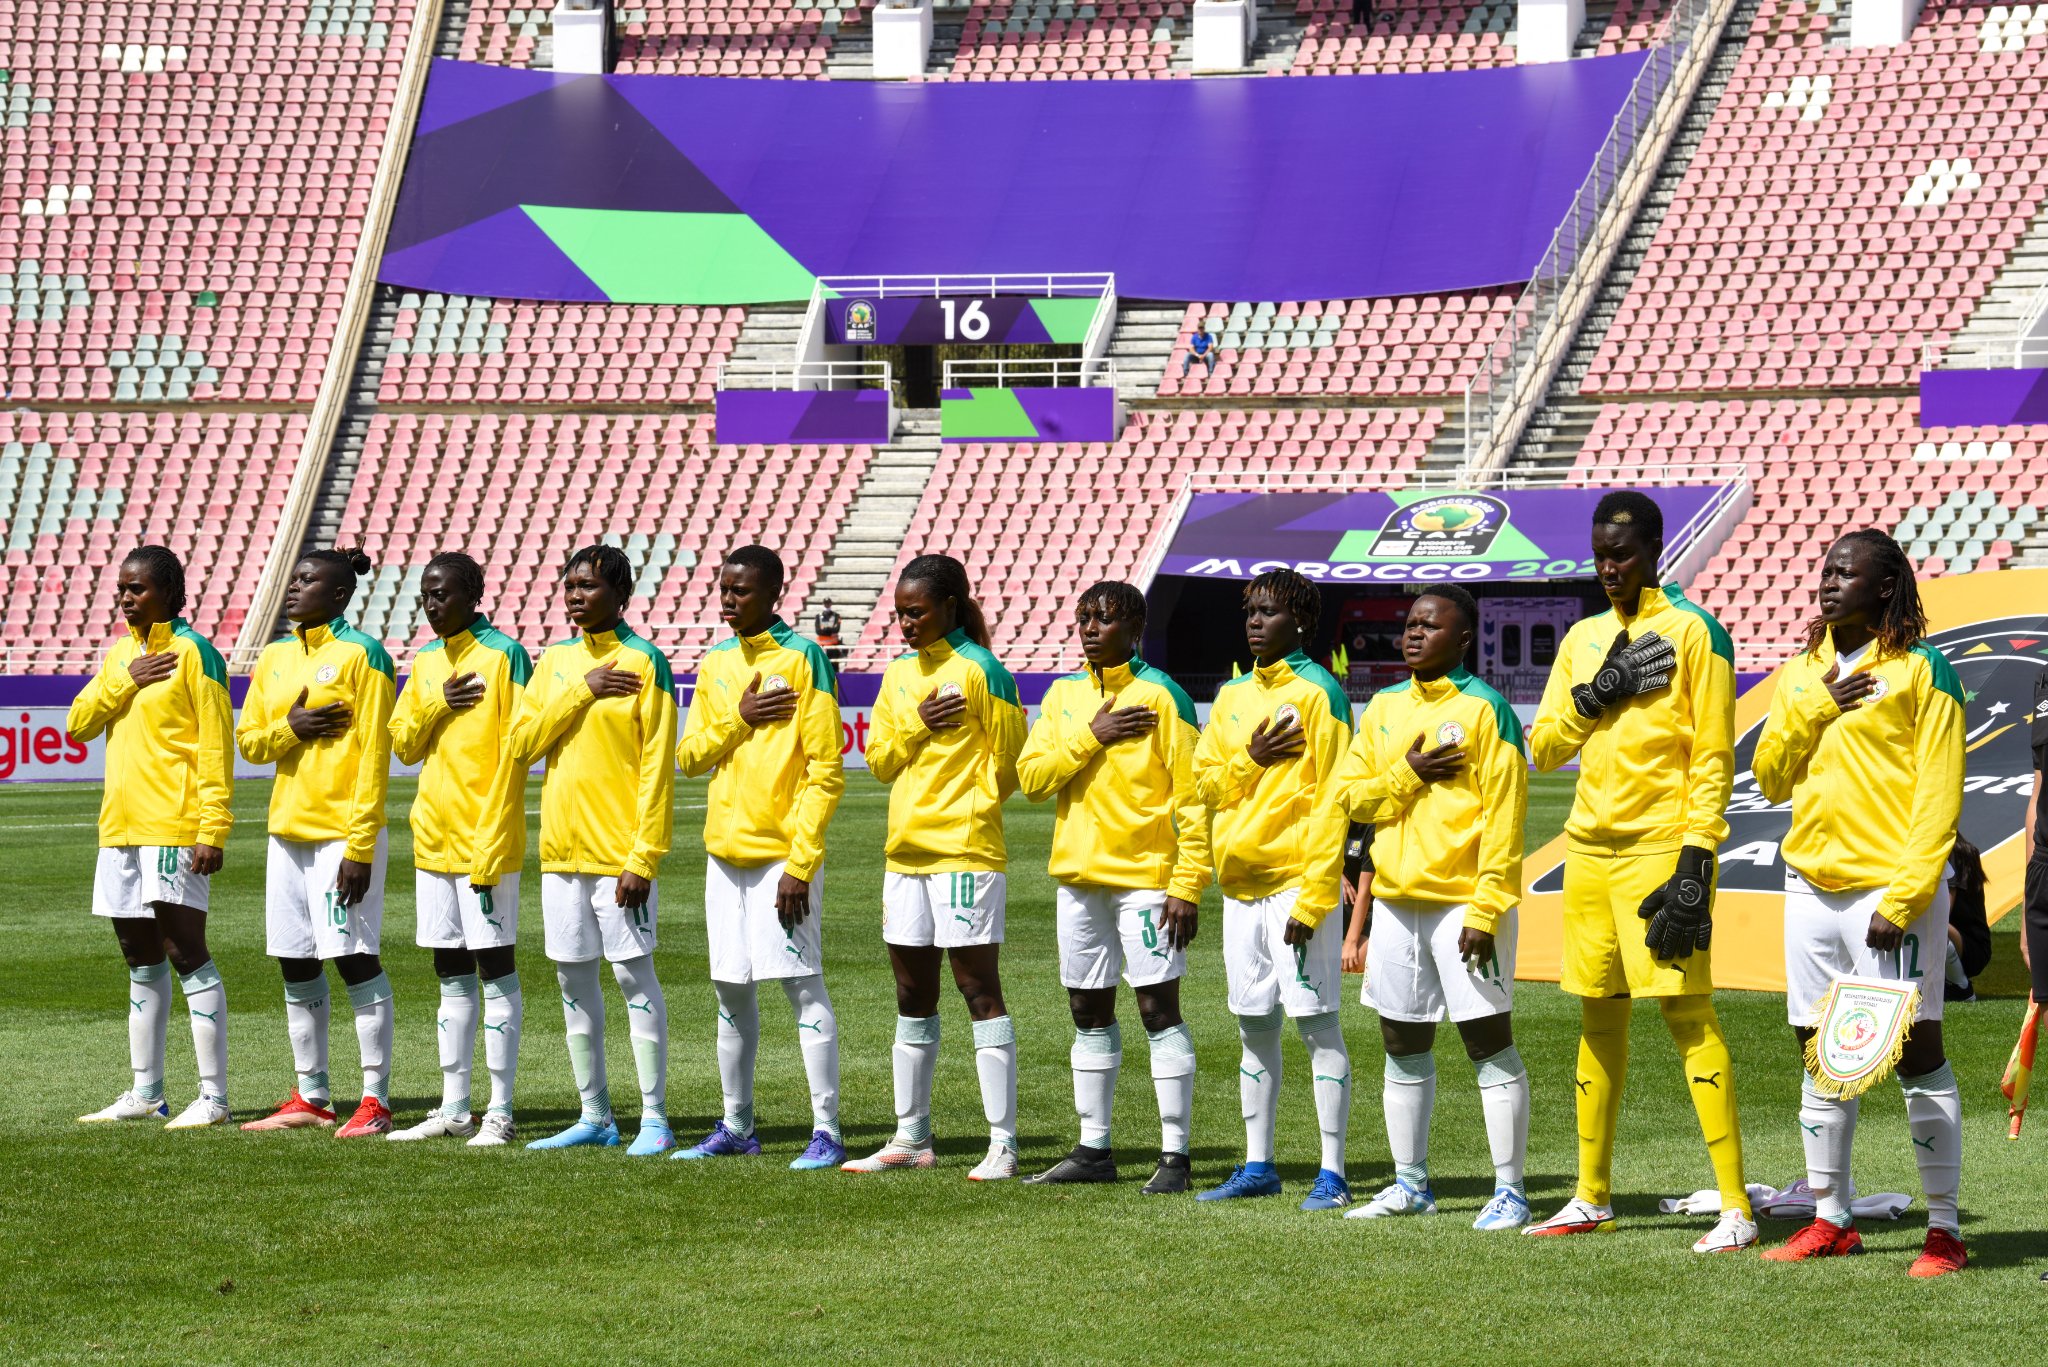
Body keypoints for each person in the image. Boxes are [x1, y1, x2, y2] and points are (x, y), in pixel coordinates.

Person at [1525, 492, 1754, 1253]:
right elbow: (1545, 747)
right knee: (1597, 1017)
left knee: (1689, 1016)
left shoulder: (1696, 633)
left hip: (1661, 848)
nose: (1607, 567)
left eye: (1620, 554)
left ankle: (1736, 1207)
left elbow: (1714, 755)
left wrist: (1698, 855)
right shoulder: (1584, 637)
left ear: (1656, 549)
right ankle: (1590, 1195)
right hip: (1588, 852)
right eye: (1599, 554)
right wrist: (1600, 690)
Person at [1753, 530, 1968, 1277]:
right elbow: (1770, 777)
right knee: (1820, 1054)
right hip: (1809, 887)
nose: (1829, 581)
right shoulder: (1801, 672)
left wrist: (1905, 897)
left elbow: (1939, 796)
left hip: (1889, 892)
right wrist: (1815, 705)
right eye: (1825, 570)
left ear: (1883, 587)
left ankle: (1945, 1229)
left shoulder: (1922, 668)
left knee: (1915, 1050)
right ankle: (1831, 1218)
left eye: (1846, 573)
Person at [1329, 587, 1533, 1230]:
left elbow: (1505, 820)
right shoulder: (1384, 707)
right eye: (1410, 624)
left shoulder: (1487, 710)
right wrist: (1409, 773)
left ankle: (1511, 1191)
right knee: (1401, 1039)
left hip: (1465, 904)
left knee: (1487, 1041)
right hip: (1395, 902)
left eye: (1430, 625)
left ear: (1463, 637)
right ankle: (1410, 1184)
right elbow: (1351, 799)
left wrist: (1487, 907)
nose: (1414, 634)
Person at [1016, 580, 1209, 1194]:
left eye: (1104, 618)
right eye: (1084, 618)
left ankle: (1175, 1157)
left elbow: (1195, 801)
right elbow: (1032, 779)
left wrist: (1187, 883)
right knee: (1086, 1010)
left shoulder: (1164, 696)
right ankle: (1093, 1148)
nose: (1091, 628)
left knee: (1158, 1010)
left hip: (1147, 881)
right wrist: (1091, 735)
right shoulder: (1063, 695)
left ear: (1136, 628)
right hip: (1079, 881)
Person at [485, 545, 678, 1155]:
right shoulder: (556, 661)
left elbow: (658, 768)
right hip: (560, 856)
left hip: (619, 857)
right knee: (572, 981)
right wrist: (582, 691)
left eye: (589, 586)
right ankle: (595, 1115)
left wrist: (642, 857)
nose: (575, 596)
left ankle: (654, 1118)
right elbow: (520, 745)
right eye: (570, 586)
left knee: (632, 977)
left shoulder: (646, 662)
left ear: (621, 595)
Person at [843, 554, 1028, 1180]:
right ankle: (911, 1138)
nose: (906, 624)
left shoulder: (982, 671)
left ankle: (1003, 1144)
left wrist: (969, 806)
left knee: (978, 990)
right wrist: (918, 725)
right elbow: (879, 761)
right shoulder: (898, 674)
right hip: (905, 854)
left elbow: (1010, 764)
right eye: (900, 614)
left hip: (964, 851)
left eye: (916, 612)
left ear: (950, 606)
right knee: (912, 993)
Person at [673, 546, 847, 1170]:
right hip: (725, 856)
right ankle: (737, 1124)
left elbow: (825, 771)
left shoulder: (804, 660)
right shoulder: (717, 662)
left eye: (741, 590)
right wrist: (739, 718)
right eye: (724, 588)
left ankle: (827, 1130)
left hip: (781, 858)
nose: (728, 599)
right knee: (730, 990)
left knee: (801, 985)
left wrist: (801, 863)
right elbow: (690, 757)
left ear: (774, 592)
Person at [1191, 568, 1354, 1211]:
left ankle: (1333, 1173)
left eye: (1269, 612)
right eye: (1250, 611)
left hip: (1295, 885)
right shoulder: (1231, 695)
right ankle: (1258, 1164)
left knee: (1317, 1024)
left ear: (1302, 622)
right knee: (1253, 1025)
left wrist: (1315, 897)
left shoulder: (1320, 694)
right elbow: (1205, 785)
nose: (1255, 621)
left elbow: (1335, 801)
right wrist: (1251, 759)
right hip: (1240, 887)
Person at [68, 546, 235, 1129]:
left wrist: (212, 828)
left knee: (185, 952)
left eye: (137, 588)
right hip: (119, 828)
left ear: (169, 593)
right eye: (122, 588)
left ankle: (213, 1098)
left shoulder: (196, 653)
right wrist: (125, 681)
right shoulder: (121, 654)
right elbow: (78, 722)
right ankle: (147, 1092)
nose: (125, 598)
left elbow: (216, 747)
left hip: (173, 825)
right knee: (138, 955)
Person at [236, 548, 399, 1138]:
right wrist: (291, 728)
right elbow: (250, 742)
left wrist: (360, 845)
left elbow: (376, 755)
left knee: (354, 958)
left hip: (341, 835)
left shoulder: (364, 655)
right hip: (286, 833)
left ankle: (376, 1099)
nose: (295, 588)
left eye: (309, 580)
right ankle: (312, 1095)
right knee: (295, 960)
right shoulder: (275, 657)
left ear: (339, 594)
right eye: (294, 578)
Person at [385, 552, 532, 1147]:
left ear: (473, 595)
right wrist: (437, 702)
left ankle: (500, 1109)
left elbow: (521, 747)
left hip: (484, 842)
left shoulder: (505, 656)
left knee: (494, 968)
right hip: (433, 840)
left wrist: (493, 836)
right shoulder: (425, 662)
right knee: (449, 971)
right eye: (426, 594)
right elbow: (403, 744)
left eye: (442, 593)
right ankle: (454, 1106)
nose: (431, 603)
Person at [1941, 834, 1990, 1003]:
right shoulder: (1955, 849)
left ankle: (1961, 988)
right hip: (1965, 942)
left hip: (1970, 948)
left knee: (1924, 922)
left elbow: (1943, 913)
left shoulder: (1953, 854)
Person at [815, 598, 844, 665]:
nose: (827, 605)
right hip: (822, 646)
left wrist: (824, 630)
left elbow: (837, 629)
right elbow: (818, 631)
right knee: (822, 665)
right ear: (823, 604)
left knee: (834, 666)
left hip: (833, 646)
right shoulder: (818, 616)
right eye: (825, 603)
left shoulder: (836, 616)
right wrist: (830, 630)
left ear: (831, 604)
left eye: (828, 603)